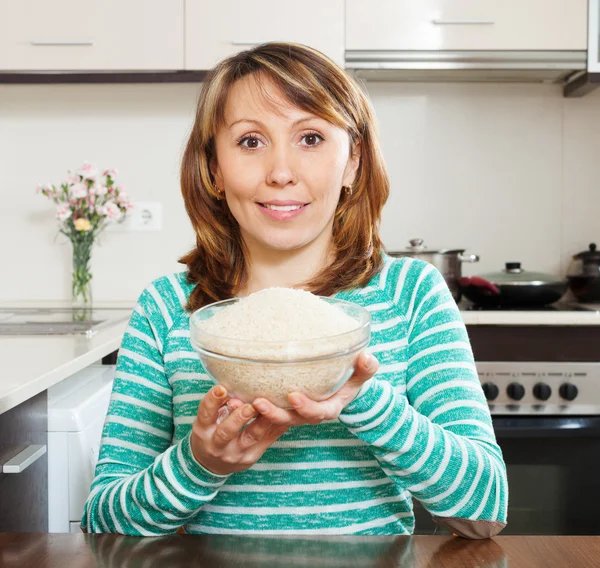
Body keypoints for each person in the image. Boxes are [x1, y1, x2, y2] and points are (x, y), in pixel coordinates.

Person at [81, 42, 508, 538]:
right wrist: (200, 463)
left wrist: (362, 398)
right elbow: (103, 523)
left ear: (352, 163)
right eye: (250, 142)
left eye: (310, 138)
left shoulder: (409, 294)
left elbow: (484, 515)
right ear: (214, 169)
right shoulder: (168, 307)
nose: (281, 172)